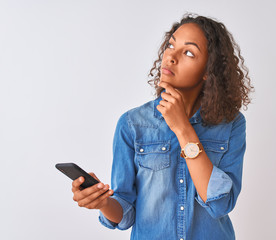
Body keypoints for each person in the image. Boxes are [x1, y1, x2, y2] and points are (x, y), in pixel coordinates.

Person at [71, 13, 254, 240]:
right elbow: (125, 212)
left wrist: (183, 129)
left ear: (209, 71)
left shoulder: (231, 124)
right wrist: (103, 202)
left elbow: (220, 203)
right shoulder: (132, 124)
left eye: (189, 52)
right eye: (171, 45)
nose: (171, 57)